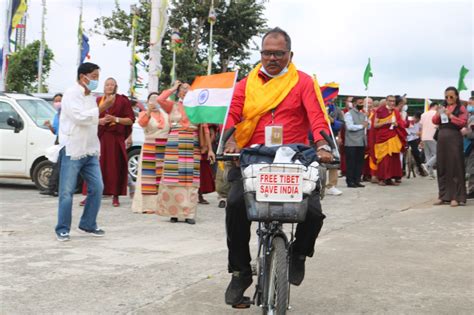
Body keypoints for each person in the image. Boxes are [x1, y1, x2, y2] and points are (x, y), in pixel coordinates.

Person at [222, 27, 332, 306]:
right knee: (235, 206)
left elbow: (317, 117)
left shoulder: (304, 82)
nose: (272, 58)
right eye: (267, 53)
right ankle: (240, 272)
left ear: (290, 55)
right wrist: (231, 140)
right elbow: (233, 113)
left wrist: (323, 145)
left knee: (314, 213)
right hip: (251, 157)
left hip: (293, 159)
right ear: (260, 54)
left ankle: (298, 254)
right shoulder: (246, 84)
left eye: (278, 54)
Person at [55, 62, 115, 242]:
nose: (97, 81)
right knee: (66, 191)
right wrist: (102, 109)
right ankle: (62, 228)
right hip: (73, 148)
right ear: (84, 77)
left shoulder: (91, 96)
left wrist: (100, 119)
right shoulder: (71, 94)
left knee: (97, 188)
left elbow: (89, 118)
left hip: (90, 148)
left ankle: (88, 224)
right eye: (95, 77)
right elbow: (79, 117)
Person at [156, 81, 211, 225]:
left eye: (188, 89)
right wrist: (172, 87)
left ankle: (189, 213)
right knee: (172, 178)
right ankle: (173, 213)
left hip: (192, 144)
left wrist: (210, 149)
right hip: (174, 143)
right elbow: (159, 99)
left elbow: (205, 128)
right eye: (182, 89)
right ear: (178, 92)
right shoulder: (172, 105)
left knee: (190, 180)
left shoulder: (197, 108)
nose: (185, 91)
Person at [80, 78, 135, 207]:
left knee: (115, 167)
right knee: (94, 166)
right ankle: (90, 195)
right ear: (103, 87)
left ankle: (115, 196)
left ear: (116, 87)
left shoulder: (122, 100)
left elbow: (130, 120)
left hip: (115, 138)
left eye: (112, 85)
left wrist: (115, 119)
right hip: (99, 137)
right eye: (107, 85)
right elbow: (90, 117)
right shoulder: (98, 101)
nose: (109, 87)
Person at [132, 92, 170, 214]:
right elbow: (142, 123)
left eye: (156, 99)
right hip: (150, 146)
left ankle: (163, 204)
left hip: (164, 148)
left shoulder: (165, 114)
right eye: (151, 100)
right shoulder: (144, 114)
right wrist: (149, 111)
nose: (154, 102)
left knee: (163, 177)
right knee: (149, 178)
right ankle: (148, 206)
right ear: (148, 102)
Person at [432, 87, 468, 207]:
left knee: (455, 166)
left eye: (451, 96)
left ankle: (455, 197)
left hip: (454, 138)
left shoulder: (461, 108)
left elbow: (463, 122)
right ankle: (443, 195)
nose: (448, 99)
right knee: (442, 166)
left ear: (456, 96)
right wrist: (438, 113)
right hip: (442, 138)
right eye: (446, 96)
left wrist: (451, 115)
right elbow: (435, 121)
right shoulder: (443, 106)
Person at [374, 95, 407, 186]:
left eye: (393, 101)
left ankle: (390, 178)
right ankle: (382, 178)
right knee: (384, 159)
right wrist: (385, 122)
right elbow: (375, 125)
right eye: (390, 101)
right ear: (386, 101)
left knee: (393, 159)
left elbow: (401, 123)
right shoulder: (380, 110)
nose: (392, 103)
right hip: (382, 138)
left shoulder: (396, 112)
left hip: (393, 137)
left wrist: (397, 123)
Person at [41, 93, 63, 196]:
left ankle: (53, 188)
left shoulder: (67, 114)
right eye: (56, 101)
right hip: (58, 140)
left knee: (58, 165)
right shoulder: (56, 115)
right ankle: (54, 188)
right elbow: (55, 131)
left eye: (60, 100)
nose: (58, 103)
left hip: (65, 141)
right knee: (56, 165)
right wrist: (49, 126)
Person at [344, 97, 368, 187]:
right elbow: (350, 127)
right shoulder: (348, 114)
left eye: (362, 103)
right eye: (360, 103)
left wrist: (367, 121)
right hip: (351, 143)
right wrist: (362, 126)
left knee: (359, 163)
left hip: (361, 142)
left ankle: (357, 180)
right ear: (354, 104)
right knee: (351, 163)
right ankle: (350, 181)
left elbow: (368, 127)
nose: (361, 104)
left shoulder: (363, 114)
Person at [325, 98, 344, 196]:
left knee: (334, 163)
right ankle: (317, 185)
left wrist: (333, 122)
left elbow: (341, 124)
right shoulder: (318, 107)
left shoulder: (337, 110)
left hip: (332, 138)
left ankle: (331, 185)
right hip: (318, 138)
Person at [198, 124, 216, 204]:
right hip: (192, 145)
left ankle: (200, 195)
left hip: (202, 148)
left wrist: (206, 147)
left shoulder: (206, 120)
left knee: (202, 173)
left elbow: (212, 135)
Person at [420, 102, 439, 178]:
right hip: (433, 136)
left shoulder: (423, 114)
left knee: (428, 155)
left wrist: (421, 139)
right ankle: (427, 165)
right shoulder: (437, 114)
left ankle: (431, 174)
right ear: (435, 106)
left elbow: (421, 127)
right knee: (437, 154)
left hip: (424, 136)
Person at [406, 112, 427, 176]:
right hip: (405, 138)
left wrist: (421, 137)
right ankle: (403, 170)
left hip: (414, 139)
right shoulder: (409, 121)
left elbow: (421, 131)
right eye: (415, 118)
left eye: (417, 119)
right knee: (402, 153)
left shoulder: (420, 123)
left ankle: (420, 170)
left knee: (416, 154)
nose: (415, 120)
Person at [463, 97, 474, 199]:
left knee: (471, 170)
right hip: (469, 146)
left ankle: (471, 191)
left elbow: (471, 134)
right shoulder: (471, 117)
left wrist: (466, 133)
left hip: (471, 146)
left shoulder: (472, 118)